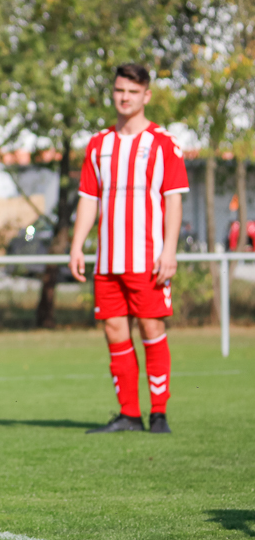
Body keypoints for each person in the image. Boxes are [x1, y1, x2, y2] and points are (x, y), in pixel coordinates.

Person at [69, 63, 188, 436]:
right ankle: (129, 415)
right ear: (113, 92)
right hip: (108, 260)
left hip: (148, 258)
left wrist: (169, 250)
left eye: (133, 92)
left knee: (152, 327)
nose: (125, 97)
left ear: (146, 96)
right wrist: (77, 246)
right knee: (115, 331)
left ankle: (159, 415)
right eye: (120, 90)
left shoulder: (163, 144)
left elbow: (173, 200)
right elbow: (89, 198)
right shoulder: (98, 145)